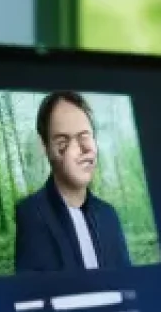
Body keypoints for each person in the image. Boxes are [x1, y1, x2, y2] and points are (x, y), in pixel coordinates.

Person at [13, 90, 133, 274]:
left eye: (85, 136)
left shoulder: (108, 215)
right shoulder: (30, 214)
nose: (81, 149)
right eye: (63, 142)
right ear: (44, 146)